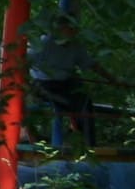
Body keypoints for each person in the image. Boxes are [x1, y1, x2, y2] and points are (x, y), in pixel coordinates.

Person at [30, 15, 99, 148]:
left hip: (66, 84)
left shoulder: (76, 45)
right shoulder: (43, 43)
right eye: (70, 28)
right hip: (44, 84)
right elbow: (24, 60)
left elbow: (91, 64)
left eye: (74, 29)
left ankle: (88, 144)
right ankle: (66, 140)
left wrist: (113, 79)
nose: (74, 31)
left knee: (85, 101)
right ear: (59, 29)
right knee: (65, 103)